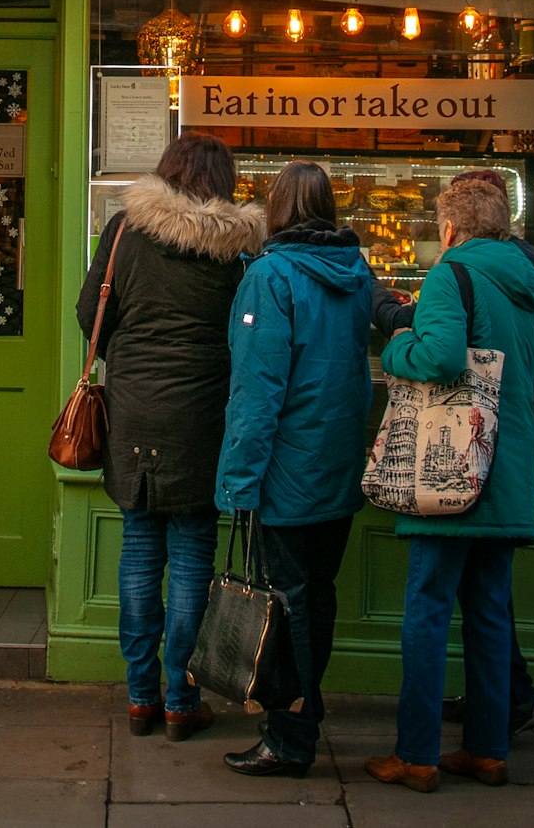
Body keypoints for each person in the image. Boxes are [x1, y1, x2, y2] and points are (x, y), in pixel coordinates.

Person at [76, 132, 263, 741]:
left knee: (138, 552)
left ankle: (139, 697)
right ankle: (181, 699)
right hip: (203, 418)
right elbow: (249, 336)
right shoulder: (237, 251)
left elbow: (90, 313)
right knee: (190, 561)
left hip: (133, 412)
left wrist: (126, 358)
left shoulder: (127, 231)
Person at [365, 175, 534, 793]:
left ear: (450, 228)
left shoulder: (453, 274)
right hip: (507, 471)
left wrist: (395, 347)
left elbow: (440, 357)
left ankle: (416, 755)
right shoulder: (525, 284)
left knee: (427, 611)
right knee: (491, 613)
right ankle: (488, 750)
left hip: (450, 471)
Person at [215, 160, 374, 779]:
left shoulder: (271, 275)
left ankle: (290, 734)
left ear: (276, 208)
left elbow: (257, 391)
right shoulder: (356, 271)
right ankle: (308, 707)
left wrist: (237, 482)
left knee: (287, 604)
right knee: (318, 596)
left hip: (285, 471)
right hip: (337, 462)